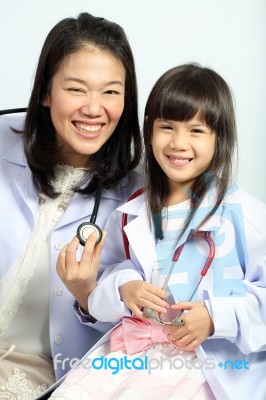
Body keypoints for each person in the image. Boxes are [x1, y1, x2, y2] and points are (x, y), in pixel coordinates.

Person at [50, 63, 266, 400]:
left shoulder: (246, 217)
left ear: (219, 137)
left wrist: (215, 318)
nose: (179, 143)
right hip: (133, 354)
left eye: (197, 131)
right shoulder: (131, 212)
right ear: (149, 129)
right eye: (167, 127)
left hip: (205, 369)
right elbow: (108, 276)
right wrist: (125, 288)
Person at [0, 12, 142, 399]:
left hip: (42, 378)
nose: (94, 109)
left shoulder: (142, 197)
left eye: (111, 91)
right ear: (46, 92)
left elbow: (138, 335)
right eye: (77, 89)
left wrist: (88, 295)